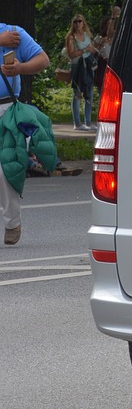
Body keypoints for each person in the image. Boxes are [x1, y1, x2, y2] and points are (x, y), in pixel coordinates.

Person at [1, 22, 52, 245]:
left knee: (6, 168)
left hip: (6, 111)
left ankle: (12, 223)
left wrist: (20, 69)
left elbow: (44, 60)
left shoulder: (13, 32)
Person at [64, 14, 98, 131]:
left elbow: (91, 48)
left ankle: (88, 122)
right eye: (75, 22)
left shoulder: (87, 35)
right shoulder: (71, 37)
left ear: (83, 23)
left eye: (80, 21)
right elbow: (71, 54)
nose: (78, 24)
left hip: (87, 66)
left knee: (89, 92)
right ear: (73, 24)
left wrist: (92, 49)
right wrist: (84, 50)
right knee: (77, 94)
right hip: (77, 66)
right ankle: (77, 124)